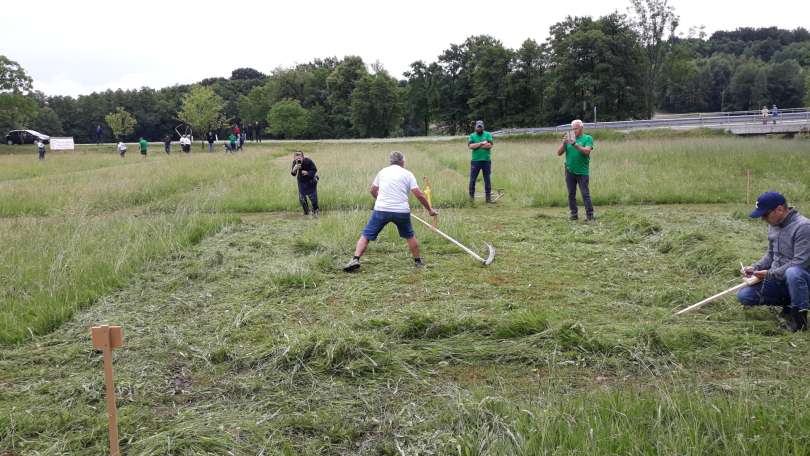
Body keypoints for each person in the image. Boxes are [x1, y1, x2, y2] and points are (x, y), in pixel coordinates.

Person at [344, 151, 437, 272]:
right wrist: (430, 210)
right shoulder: (408, 174)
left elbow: (372, 190)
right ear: (402, 161)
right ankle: (418, 261)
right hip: (401, 211)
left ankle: (355, 259)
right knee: (410, 236)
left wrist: (382, 200)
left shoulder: (382, 172)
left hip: (381, 210)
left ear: (391, 161)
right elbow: (419, 194)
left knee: (366, 235)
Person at [738, 192, 810, 332]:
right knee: (745, 296)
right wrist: (755, 267)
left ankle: (799, 319)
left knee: (793, 273)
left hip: (803, 281)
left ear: (780, 209)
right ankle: (789, 304)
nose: (763, 219)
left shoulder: (804, 227)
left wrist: (770, 274)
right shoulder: (774, 224)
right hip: (779, 278)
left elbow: (800, 263)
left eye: (765, 215)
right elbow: (771, 255)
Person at [556, 119, 595, 221]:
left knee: (585, 193)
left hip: (582, 171)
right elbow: (559, 153)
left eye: (575, 128)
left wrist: (575, 144)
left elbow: (587, 151)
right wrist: (564, 143)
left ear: (581, 128)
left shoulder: (587, 138)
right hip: (569, 170)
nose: (573, 130)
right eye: (572, 128)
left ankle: (590, 215)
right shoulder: (569, 138)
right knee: (571, 194)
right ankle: (574, 215)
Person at [468, 120, 494, 203]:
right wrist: (482, 143)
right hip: (475, 161)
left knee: (487, 179)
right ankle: (471, 199)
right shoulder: (472, 135)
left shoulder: (488, 134)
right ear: (475, 127)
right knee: (472, 180)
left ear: (483, 127)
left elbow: (489, 145)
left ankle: (488, 198)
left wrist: (477, 145)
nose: (479, 128)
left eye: (481, 127)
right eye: (478, 126)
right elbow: (471, 146)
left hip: (486, 161)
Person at [290, 151, 319, 216]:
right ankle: (306, 212)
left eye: (299, 158)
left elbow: (314, 170)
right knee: (302, 199)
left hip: (311, 181)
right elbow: (293, 174)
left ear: (303, 157)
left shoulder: (308, 161)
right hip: (301, 182)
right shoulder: (295, 163)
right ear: (294, 158)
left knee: (313, 199)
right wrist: (294, 169)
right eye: (296, 158)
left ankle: (316, 210)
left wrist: (308, 173)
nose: (298, 160)